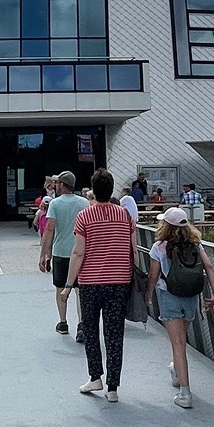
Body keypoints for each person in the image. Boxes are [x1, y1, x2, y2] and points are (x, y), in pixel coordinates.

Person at [66, 170, 136, 403]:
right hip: (119, 281)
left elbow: (78, 252)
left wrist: (68, 284)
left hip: (91, 282)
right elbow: (132, 250)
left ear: (94, 190)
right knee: (115, 333)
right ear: (112, 189)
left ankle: (95, 376)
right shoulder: (124, 215)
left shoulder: (85, 216)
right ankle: (113, 387)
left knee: (91, 329)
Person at [148, 207, 214, 409]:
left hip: (169, 296)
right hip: (190, 297)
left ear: (165, 226)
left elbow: (153, 275)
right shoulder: (196, 245)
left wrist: (148, 295)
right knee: (182, 339)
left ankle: (185, 393)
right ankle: (177, 371)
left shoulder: (159, 246)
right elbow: (209, 267)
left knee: (177, 344)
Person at [39, 172, 89, 336]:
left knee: (60, 287)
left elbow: (50, 229)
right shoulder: (84, 203)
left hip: (60, 252)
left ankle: (63, 322)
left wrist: (44, 254)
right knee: (79, 290)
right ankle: (82, 324)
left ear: (62, 184)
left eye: (57, 183)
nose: (55, 186)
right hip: (80, 252)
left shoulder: (55, 204)